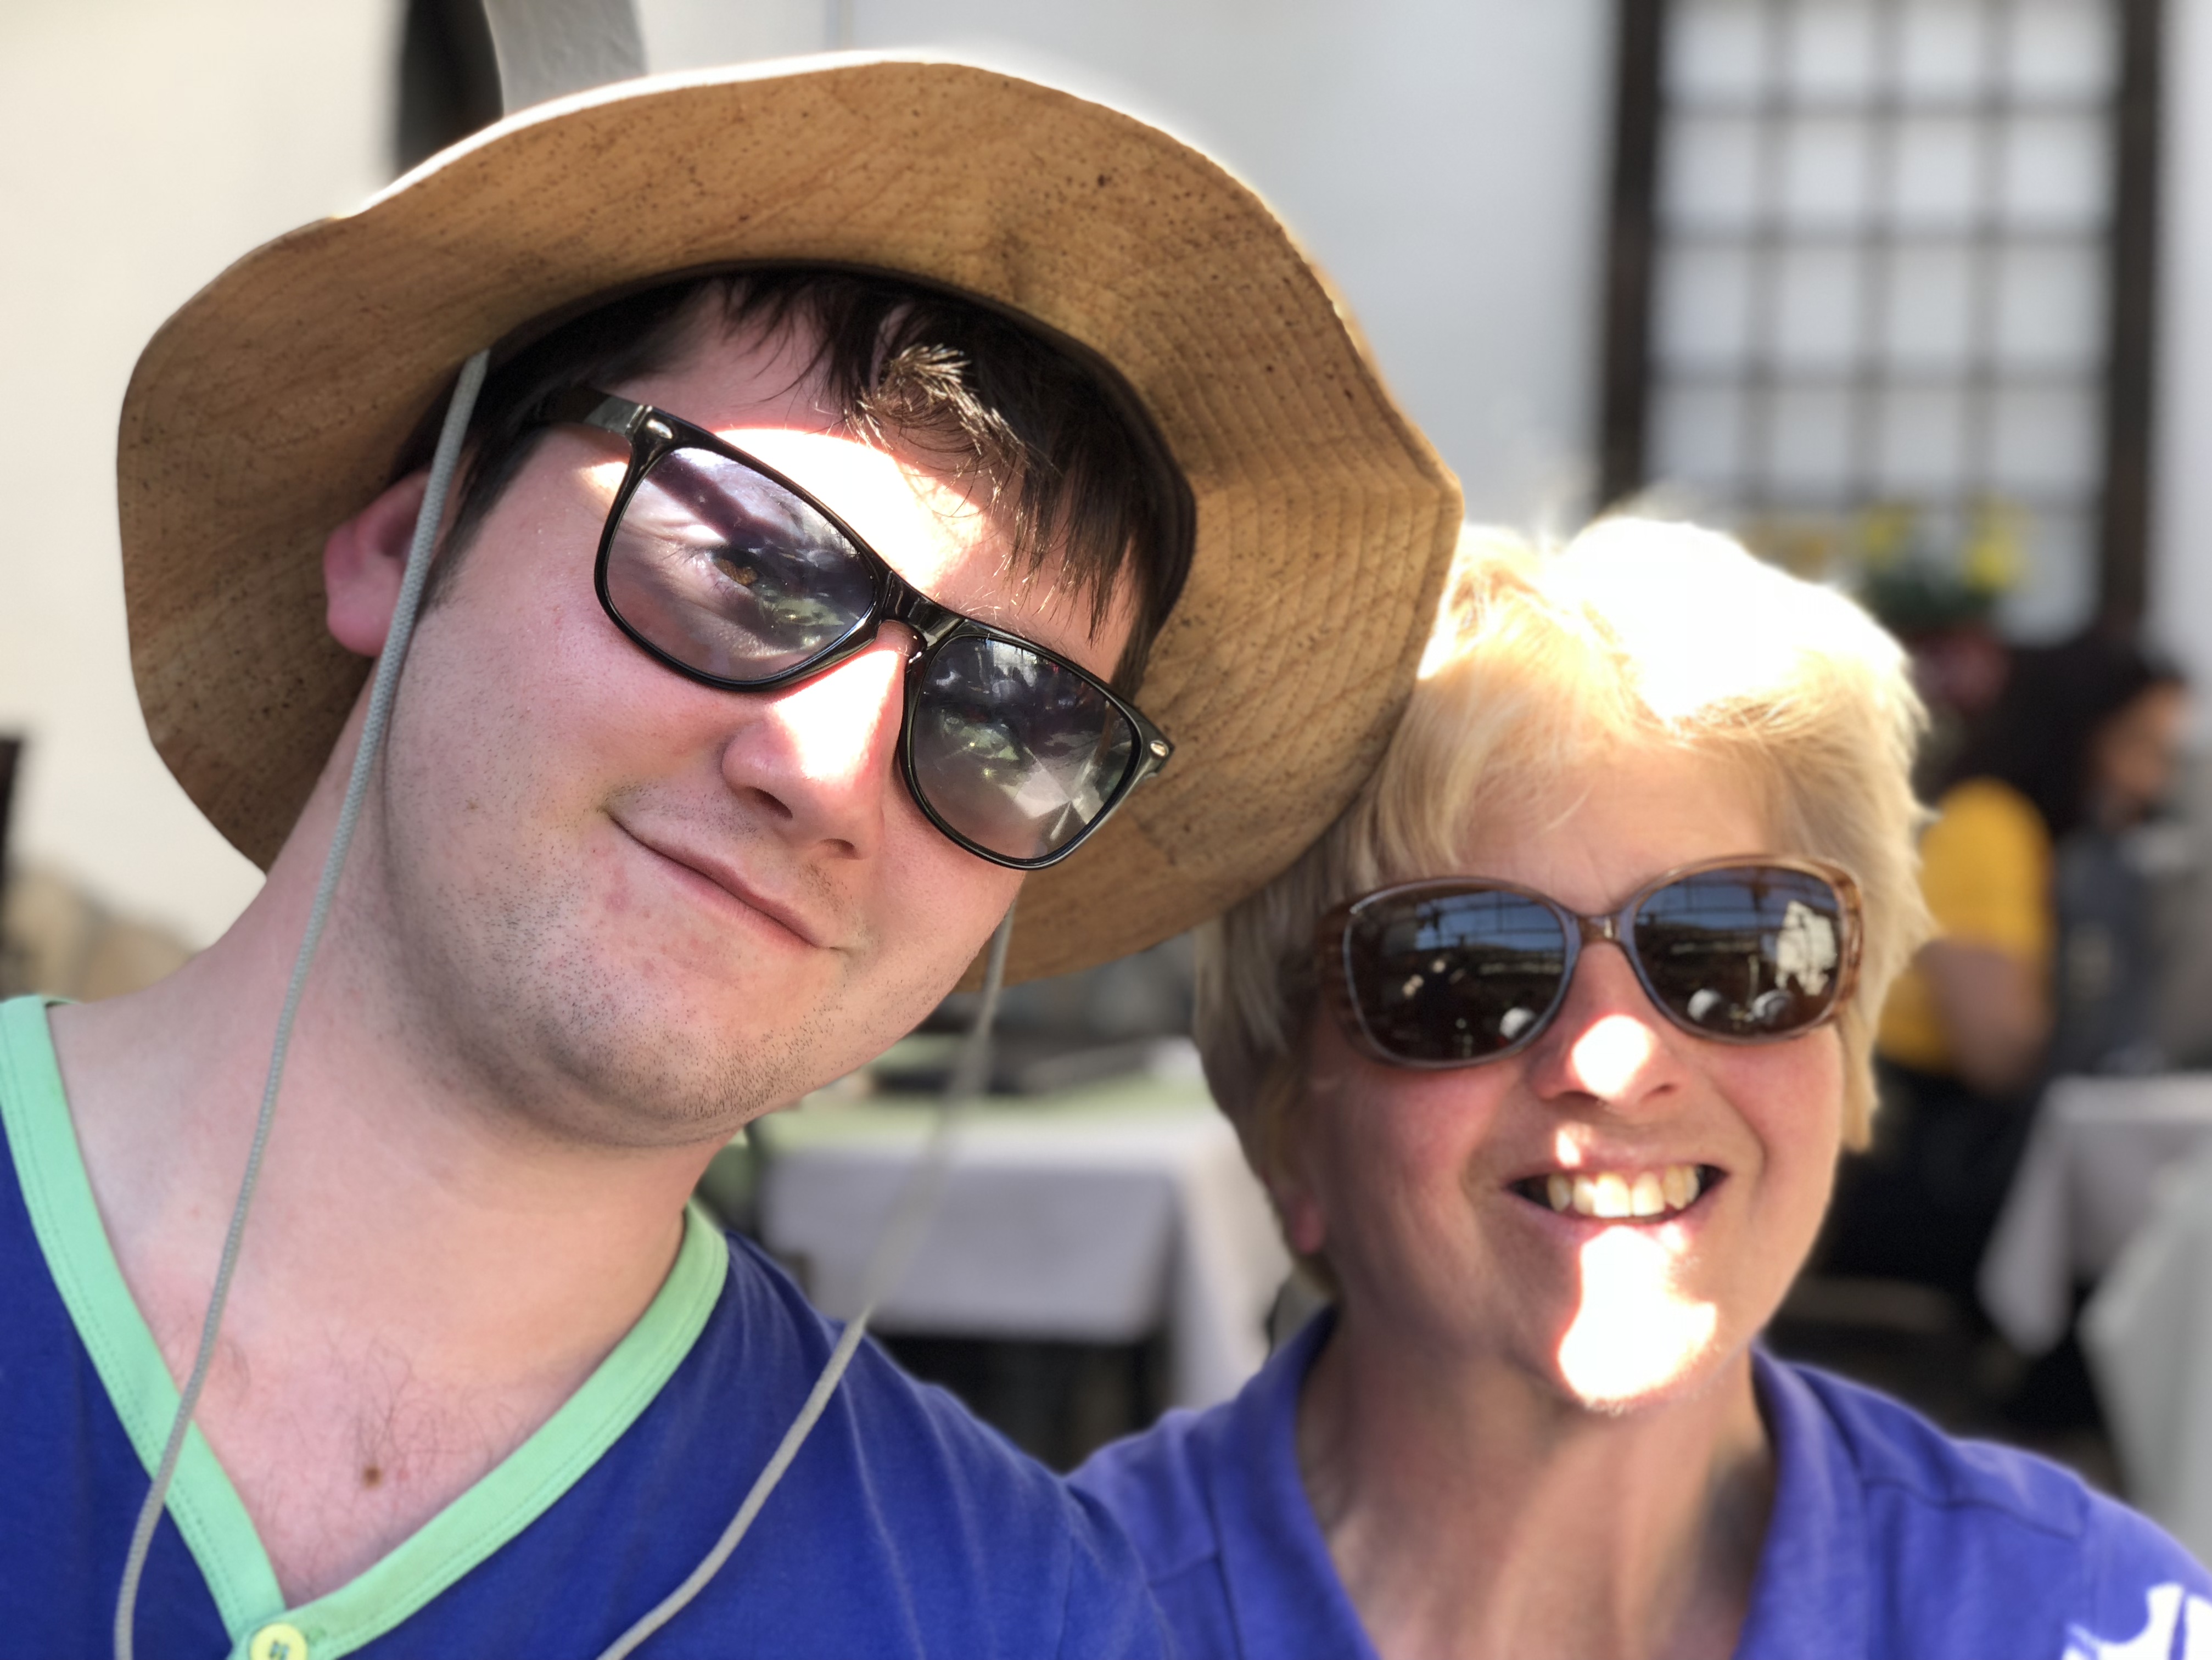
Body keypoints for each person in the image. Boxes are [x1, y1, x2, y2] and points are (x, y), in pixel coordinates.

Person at [0, 57, 1463, 1657]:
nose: (827, 776)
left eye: (1010, 718)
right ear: (405, 541)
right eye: (748, 564)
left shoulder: (1020, 1620)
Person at [1074, 521, 2212, 1659]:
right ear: (1286, 1117)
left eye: (1734, 949)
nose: (1618, 1061)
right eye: (1464, 969)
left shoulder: (2099, 1619)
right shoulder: (1049, 1615)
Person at [1839, 635, 2191, 1295]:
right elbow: (1997, 1053)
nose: (2152, 781)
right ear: (2077, 732)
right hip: (1934, 1164)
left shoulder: (2075, 846)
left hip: (1991, 1155)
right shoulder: (1989, 826)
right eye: (2137, 746)